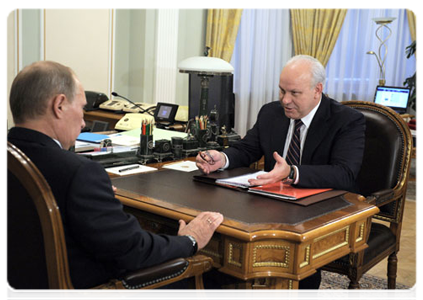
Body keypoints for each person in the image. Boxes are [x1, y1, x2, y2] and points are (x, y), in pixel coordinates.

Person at [6, 61, 224, 300]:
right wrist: (190, 240)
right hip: (91, 292)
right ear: (59, 105)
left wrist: (93, 199)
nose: (83, 122)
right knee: (209, 282)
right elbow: (132, 251)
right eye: (82, 108)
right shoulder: (78, 173)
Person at [196, 55, 366, 300]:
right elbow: (246, 150)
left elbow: (345, 173)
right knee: (226, 247)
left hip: (317, 212)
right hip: (266, 206)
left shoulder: (346, 120)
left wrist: (292, 172)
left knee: (296, 265)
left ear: (318, 90)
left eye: (295, 93)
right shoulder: (270, 113)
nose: (286, 100)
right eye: (282, 91)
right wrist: (221, 159)